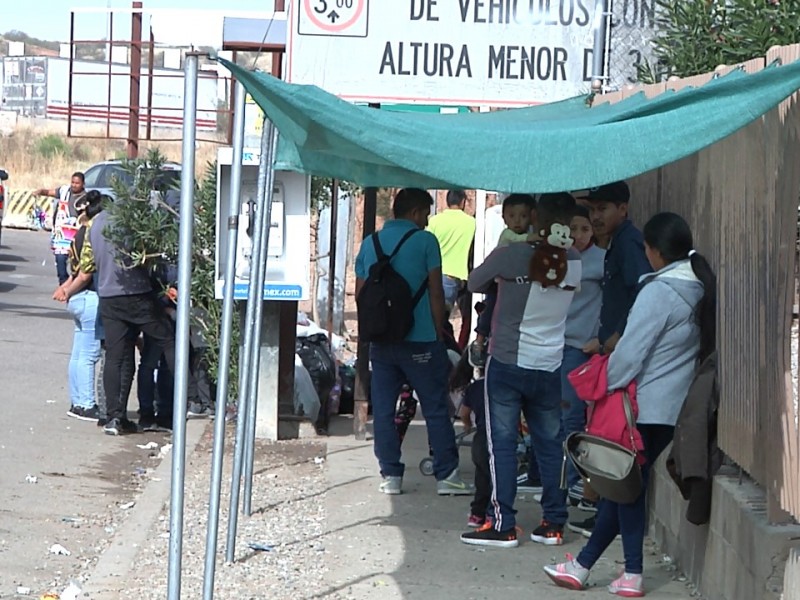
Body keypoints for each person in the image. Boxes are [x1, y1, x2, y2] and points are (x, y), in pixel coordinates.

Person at [544, 212, 716, 597]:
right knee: (622, 487)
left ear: (653, 251)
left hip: (640, 406)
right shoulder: (696, 287)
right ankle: (583, 566)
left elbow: (629, 354)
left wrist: (602, 385)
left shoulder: (659, 292)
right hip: (669, 409)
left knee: (625, 489)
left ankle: (628, 572)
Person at [461, 192, 581, 549]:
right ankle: (554, 523)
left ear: (535, 221)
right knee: (549, 445)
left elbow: (473, 282)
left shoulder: (511, 255)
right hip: (549, 366)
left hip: (508, 363)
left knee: (503, 444)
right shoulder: (575, 262)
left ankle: (503, 524)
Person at [355, 187, 472, 496]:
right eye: (426, 214)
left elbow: (361, 293)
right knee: (434, 407)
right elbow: (436, 291)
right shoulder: (425, 241)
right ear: (418, 212)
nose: (428, 220)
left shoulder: (371, 243)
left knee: (383, 408)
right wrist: (437, 331)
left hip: (382, 342)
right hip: (420, 339)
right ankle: (446, 476)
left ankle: (391, 475)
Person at [64, 205, 197, 436]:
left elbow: (88, 264)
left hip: (108, 296)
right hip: (137, 294)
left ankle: (115, 417)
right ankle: (191, 399)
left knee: (116, 356)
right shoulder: (134, 218)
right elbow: (150, 259)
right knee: (169, 341)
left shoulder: (95, 224)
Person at [561, 205, 606, 534]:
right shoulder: (557, 258)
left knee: (574, 416)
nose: (577, 235)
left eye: (584, 229)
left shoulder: (601, 261)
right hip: (554, 343)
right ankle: (567, 481)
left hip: (581, 347)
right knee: (560, 414)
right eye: (573, 228)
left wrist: (600, 338)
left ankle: (578, 482)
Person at [580, 182, 651, 356]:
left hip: (625, 348)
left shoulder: (628, 243)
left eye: (602, 209)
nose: (595, 216)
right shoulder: (617, 241)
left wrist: (619, 333)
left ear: (622, 209)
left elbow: (643, 289)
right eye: (592, 210)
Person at [468, 193, 537, 369]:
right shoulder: (509, 235)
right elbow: (517, 240)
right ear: (504, 217)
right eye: (512, 216)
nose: (517, 221)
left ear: (532, 217)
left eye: (523, 216)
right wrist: (530, 239)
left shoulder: (532, 238)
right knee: (490, 306)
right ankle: (480, 339)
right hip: (498, 281)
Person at [52, 190, 104, 421]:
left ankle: (76, 401)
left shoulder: (80, 232)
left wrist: (65, 289)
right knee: (89, 354)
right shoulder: (94, 234)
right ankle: (86, 404)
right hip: (89, 297)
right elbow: (85, 274)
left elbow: (75, 272)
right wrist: (68, 291)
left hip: (78, 299)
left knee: (77, 353)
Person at [426, 190, 475, 312]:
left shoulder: (434, 221)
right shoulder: (471, 223)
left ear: (447, 202)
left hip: (433, 274)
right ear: (463, 202)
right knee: (443, 316)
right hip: (454, 276)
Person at [37, 172, 87, 285]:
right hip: (62, 234)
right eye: (72, 182)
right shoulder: (64, 191)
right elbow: (51, 192)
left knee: (77, 260)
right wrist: (41, 192)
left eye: (77, 183)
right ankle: (63, 282)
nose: (74, 185)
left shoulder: (85, 198)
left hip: (76, 234)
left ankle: (76, 283)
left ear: (83, 184)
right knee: (60, 258)